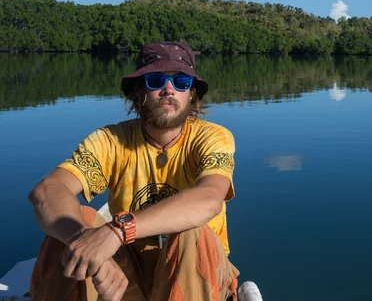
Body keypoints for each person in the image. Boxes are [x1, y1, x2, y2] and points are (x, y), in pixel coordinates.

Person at [28, 41, 240, 301]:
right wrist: (83, 241)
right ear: (138, 90)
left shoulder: (211, 138)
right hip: (127, 269)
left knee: (191, 231)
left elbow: (210, 199)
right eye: (155, 80)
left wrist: (118, 230)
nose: (169, 89)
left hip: (198, 272)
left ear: (192, 93)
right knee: (75, 222)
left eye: (181, 82)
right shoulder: (112, 140)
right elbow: (48, 191)